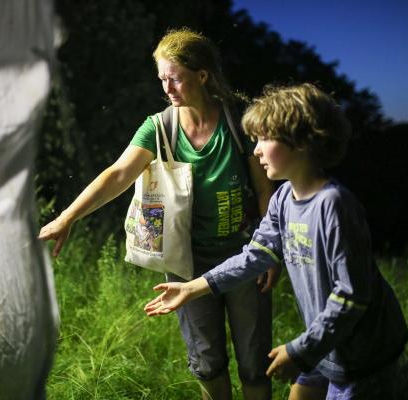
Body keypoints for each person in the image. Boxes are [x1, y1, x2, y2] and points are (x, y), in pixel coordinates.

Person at [38, 28, 278, 400]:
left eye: (175, 78)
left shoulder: (238, 120)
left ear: (202, 75)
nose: (167, 88)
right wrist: (66, 218)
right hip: (185, 260)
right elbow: (117, 175)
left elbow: (265, 191)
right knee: (206, 361)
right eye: (162, 78)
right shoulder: (158, 127)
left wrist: (269, 252)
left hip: (244, 254)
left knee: (253, 362)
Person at [144, 83, 408, 400]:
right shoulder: (283, 198)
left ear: (299, 141)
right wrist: (192, 287)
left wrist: (298, 351)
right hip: (323, 344)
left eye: (263, 139)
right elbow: (254, 256)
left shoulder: (334, 205)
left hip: (361, 354)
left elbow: (351, 297)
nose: (255, 150)